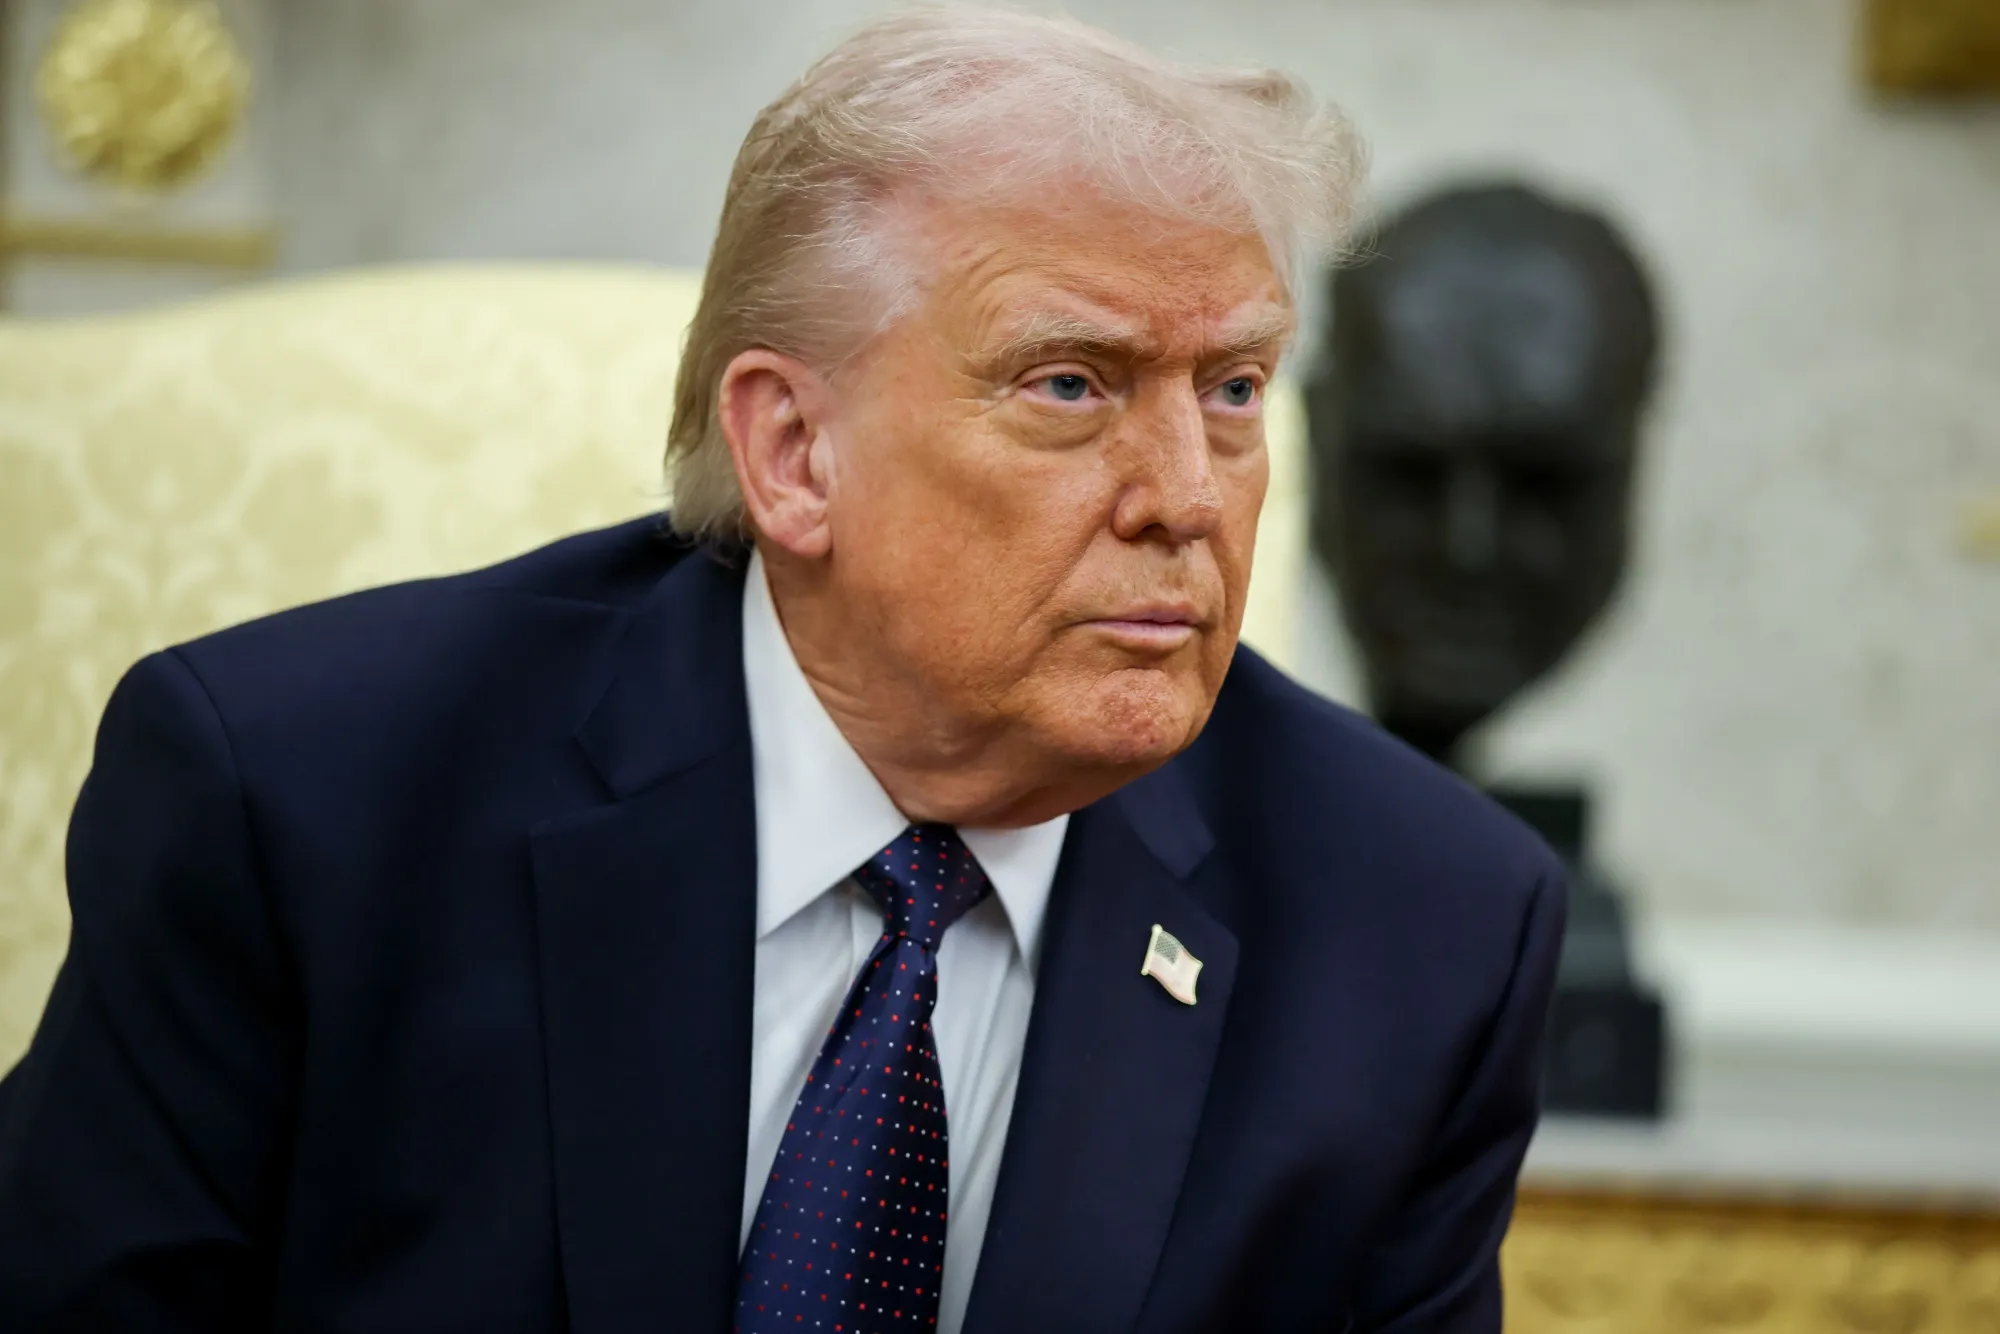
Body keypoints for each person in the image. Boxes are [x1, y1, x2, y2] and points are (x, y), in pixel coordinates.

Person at [0, 10, 1565, 1332]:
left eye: (1232, 388)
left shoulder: (1422, 932)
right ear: (792, 451)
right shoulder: (302, 810)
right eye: (1072, 382)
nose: (1190, 490)